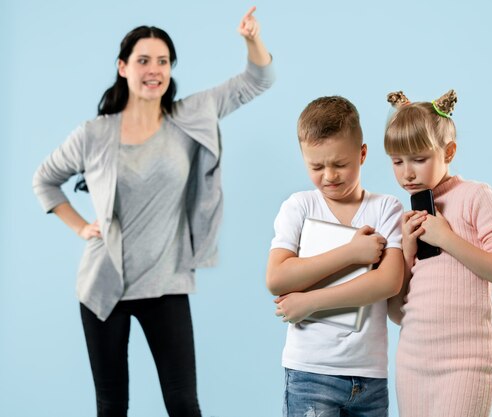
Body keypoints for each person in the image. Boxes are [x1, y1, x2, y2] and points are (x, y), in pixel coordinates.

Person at [32, 7, 274, 417]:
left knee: (183, 403)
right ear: (122, 67)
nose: (154, 70)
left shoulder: (189, 117)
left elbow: (257, 81)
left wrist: (251, 39)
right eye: (143, 60)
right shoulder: (94, 134)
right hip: (103, 287)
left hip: (166, 283)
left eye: (163, 61)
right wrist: (80, 227)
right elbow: (45, 179)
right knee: (112, 406)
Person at [384, 90, 492, 417]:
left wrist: (446, 238)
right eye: (397, 161)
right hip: (412, 364)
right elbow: (398, 315)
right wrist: (406, 251)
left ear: (449, 152)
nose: (407, 173)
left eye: (419, 159)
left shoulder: (476, 197)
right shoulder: (407, 219)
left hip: (466, 365)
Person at [266, 96, 404, 416]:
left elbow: (389, 281)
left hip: (370, 376)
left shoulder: (386, 208)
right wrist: (352, 252)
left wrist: (311, 301)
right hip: (309, 373)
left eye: (340, 164)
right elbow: (277, 278)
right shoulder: (299, 207)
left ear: (363, 154)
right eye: (316, 166)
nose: (329, 175)